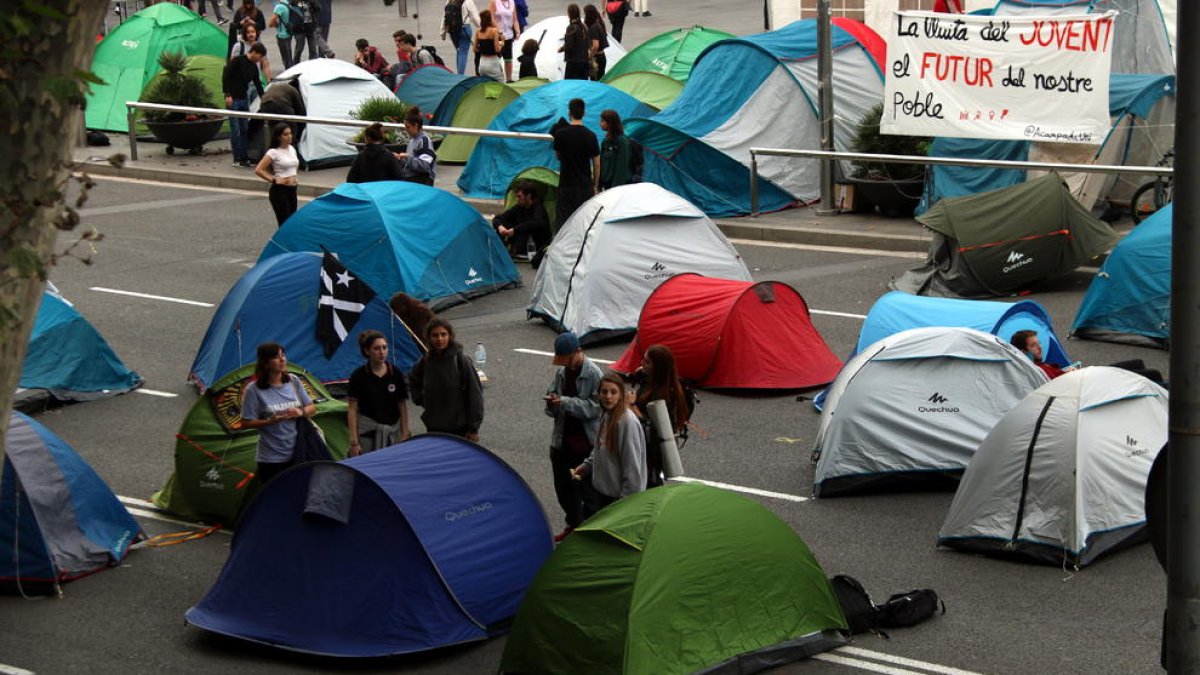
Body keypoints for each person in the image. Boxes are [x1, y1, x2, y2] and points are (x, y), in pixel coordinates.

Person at [544, 332, 603, 541]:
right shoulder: (561, 372)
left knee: (588, 493)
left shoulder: (594, 374)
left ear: (579, 352)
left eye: (568, 359)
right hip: (561, 441)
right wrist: (551, 402)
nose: (566, 364)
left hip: (585, 444)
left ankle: (590, 534)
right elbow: (553, 398)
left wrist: (566, 402)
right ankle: (573, 524)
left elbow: (595, 408)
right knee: (564, 489)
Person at [240, 342, 316, 485]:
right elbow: (245, 422)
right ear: (265, 363)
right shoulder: (254, 390)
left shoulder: (294, 381)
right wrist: (270, 421)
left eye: (283, 355)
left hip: (298, 452)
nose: (282, 360)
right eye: (276, 357)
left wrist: (300, 412)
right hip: (271, 458)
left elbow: (312, 408)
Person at [571, 374, 646, 514]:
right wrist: (587, 466)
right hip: (602, 496)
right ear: (598, 394)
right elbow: (600, 448)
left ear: (620, 395)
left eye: (613, 392)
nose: (608, 396)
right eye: (604, 392)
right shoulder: (607, 415)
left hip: (616, 501)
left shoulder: (626, 422)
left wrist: (623, 506)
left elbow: (632, 468)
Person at [408, 318, 484, 440]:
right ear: (428, 337)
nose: (439, 339)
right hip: (435, 429)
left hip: (460, 429)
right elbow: (413, 379)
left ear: (450, 336)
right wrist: (422, 400)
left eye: (443, 334)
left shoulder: (461, 361)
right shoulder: (425, 362)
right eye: (435, 335)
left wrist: (473, 428)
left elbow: (475, 395)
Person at [630, 344, 690, 487]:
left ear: (658, 367)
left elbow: (652, 425)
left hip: (651, 449)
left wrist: (632, 406)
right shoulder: (649, 381)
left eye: (647, 362)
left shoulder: (662, 396)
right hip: (644, 446)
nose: (642, 364)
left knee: (648, 483)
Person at [347, 330, 411, 455]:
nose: (382, 352)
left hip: (393, 431)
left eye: (384, 347)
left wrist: (405, 433)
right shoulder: (358, 376)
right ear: (367, 351)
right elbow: (352, 410)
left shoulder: (395, 373)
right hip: (368, 433)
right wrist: (354, 442)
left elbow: (402, 405)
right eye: (376, 348)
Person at [552, 97, 600, 229]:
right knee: (584, 223)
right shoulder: (591, 136)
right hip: (585, 186)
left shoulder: (561, 134)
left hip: (566, 185)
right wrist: (595, 185)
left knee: (563, 223)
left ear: (569, 113)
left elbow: (558, 155)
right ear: (584, 113)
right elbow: (596, 164)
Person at [222, 42, 266, 168]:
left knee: (244, 129)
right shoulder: (238, 61)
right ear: (255, 52)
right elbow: (227, 76)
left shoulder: (253, 67)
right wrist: (227, 94)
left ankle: (244, 156)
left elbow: (258, 83)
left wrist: (263, 98)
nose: (260, 59)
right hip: (233, 98)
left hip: (243, 99)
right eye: (260, 56)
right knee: (235, 129)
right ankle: (237, 157)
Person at [254, 122, 300, 226]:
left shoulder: (292, 149)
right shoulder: (273, 152)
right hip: (280, 191)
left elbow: (294, 165)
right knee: (285, 223)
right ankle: (282, 242)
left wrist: (294, 178)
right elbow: (259, 170)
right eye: (285, 134)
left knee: (292, 222)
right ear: (279, 137)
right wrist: (274, 180)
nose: (289, 136)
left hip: (292, 190)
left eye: (290, 133)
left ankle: (287, 242)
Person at [492, 179, 550, 261]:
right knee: (502, 222)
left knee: (527, 227)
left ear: (528, 196)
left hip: (533, 243)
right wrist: (500, 226)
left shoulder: (538, 208)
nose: (517, 199)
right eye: (516, 196)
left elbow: (537, 224)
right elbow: (498, 218)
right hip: (519, 237)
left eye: (519, 196)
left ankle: (516, 251)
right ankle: (501, 249)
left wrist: (515, 230)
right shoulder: (519, 207)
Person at [250, 79, 305, 160]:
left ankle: (271, 158)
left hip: (264, 104)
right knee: (291, 129)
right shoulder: (294, 91)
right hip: (280, 103)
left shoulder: (275, 86)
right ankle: (289, 156)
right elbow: (300, 112)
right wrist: (299, 134)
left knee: (274, 131)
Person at [396, 106, 436, 185]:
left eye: (408, 127)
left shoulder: (424, 141)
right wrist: (399, 158)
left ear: (416, 126)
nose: (406, 130)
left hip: (421, 181)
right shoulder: (412, 141)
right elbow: (410, 163)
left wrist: (407, 157)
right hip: (412, 180)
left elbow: (425, 166)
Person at [598, 109, 638, 190]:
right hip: (607, 186)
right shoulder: (605, 142)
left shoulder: (622, 141)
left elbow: (622, 167)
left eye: (603, 121)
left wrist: (615, 188)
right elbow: (601, 163)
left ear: (610, 123)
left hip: (618, 187)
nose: (600, 124)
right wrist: (599, 184)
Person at [442, 0, 481, 76]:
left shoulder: (449, 1)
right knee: (463, 53)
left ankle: (458, 75)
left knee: (459, 51)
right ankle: (460, 76)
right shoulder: (468, 1)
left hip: (453, 30)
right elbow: (476, 18)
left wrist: (442, 33)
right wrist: (482, 27)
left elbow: (445, 16)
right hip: (464, 28)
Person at [489, 0, 519, 82]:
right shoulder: (494, 2)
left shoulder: (512, 2)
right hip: (497, 35)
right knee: (496, 57)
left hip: (508, 35)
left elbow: (515, 19)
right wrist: (499, 31)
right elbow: (492, 18)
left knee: (508, 58)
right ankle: (495, 78)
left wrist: (517, 31)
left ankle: (509, 79)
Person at [559, 4, 590, 81]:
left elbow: (570, 45)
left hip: (573, 62)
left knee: (571, 85)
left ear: (569, 14)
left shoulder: (571, 28)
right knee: (582, 85)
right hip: (584, 61)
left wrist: (562, 48)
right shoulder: (583, 27)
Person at [473, 10, 505, 82]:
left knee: (485, 84)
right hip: (492, 62)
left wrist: (483, 48)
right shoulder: (494, 31)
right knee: (500, 82)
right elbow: (497, 49)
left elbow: (474, 49)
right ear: (490, 19)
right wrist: (501, 44)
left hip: (482, 63)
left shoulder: (478, 31)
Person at [268, 0, 296, 70]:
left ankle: (289, 70)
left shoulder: (279, 6)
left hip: (282, 34)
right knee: (288, 53)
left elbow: (272, 21)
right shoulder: (289, 4)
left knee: (285, 56)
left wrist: (272, 25)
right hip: (289, 32)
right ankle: (290, 68)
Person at [583, 4, 609, 80]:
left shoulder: (594, 28)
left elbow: (595, 45)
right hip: (602, 56)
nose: (584, 16)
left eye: (585, 14)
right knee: (600, 80)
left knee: (595, 81)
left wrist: (590, 56)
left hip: (597, 58)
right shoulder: (599, 24)